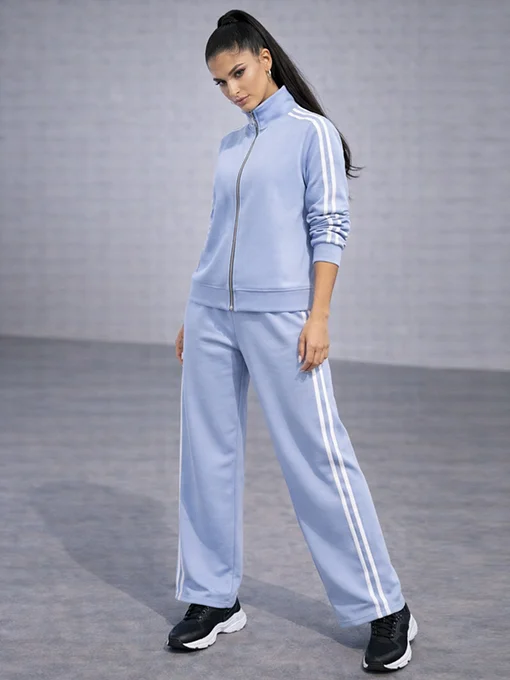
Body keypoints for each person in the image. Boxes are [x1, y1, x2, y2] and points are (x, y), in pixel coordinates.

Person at [166, 9, 418, 674]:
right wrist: (195, 311)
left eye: (238, 73)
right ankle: (212, 597)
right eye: (220, 83)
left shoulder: (312, 133)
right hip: (211, 312)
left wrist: (319, 315)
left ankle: (386, 607)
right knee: (205, 456)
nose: (232, 90)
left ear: (264, 58)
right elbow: (219, 229)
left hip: (282, 314)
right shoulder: (231, 145)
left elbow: (329, 224)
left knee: (317, 456)